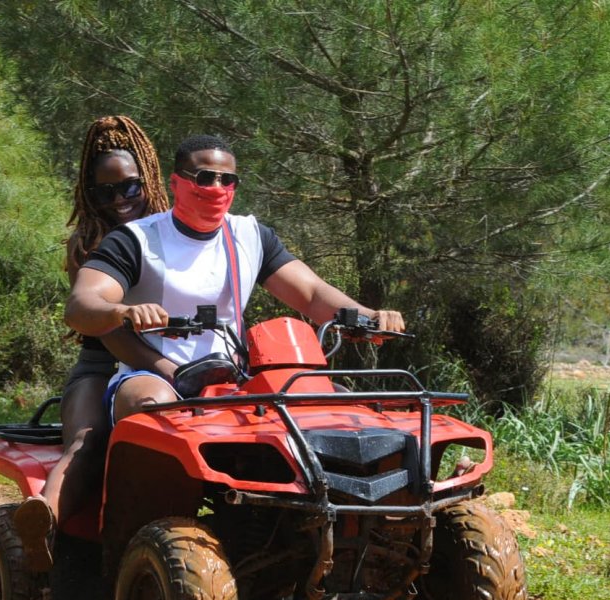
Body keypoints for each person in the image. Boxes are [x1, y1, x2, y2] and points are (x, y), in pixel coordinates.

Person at [64, 133, 405, 424]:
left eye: (227, 181)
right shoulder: (135, 239)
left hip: (234, 376)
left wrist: (370, 317)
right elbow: (82, 304)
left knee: (338, 404)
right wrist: (122, 312)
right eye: (204, 178)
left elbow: (312, 294)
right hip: (157, 375)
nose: (216, 188)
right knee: (150, 405)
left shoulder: (250, 235)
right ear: (176, 183)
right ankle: (142, 499)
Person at [14, 115, 170, 573]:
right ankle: (42, 522)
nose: (119, 200)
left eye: (129, 188)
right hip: (102, 360)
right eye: (105, 191)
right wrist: (163, 368)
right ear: (89, 192)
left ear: (149, 180)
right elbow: (104, 330)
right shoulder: (88, 243)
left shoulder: (174, 236)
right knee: (88, 437)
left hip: (170, 360)